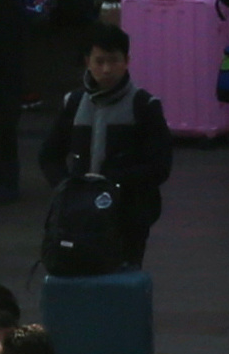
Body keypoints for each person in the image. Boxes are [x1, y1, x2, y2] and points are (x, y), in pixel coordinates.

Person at [42, 25, 172, 268]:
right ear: (87, 62)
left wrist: (114, 183)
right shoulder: (74, 103)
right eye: (99, 61)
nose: (106, 69)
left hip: (129, 216)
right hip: (78, 217)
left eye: (114, 61)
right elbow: (49, 156)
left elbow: (160, 166)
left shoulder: (144, 106)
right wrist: (67, 188)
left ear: (127, 61)